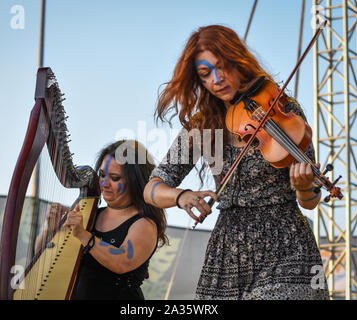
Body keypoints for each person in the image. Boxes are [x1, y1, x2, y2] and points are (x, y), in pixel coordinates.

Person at [143, 25, 329, 300]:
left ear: (238, 61)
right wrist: (181, 196)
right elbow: (152, 189)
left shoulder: (282, 108)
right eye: (206, 74)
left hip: (286, 244)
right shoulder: (202, 125)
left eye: (223, 67)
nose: (217, 79)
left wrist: (303, 188)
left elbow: (311, 200)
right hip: (228, 251)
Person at [43, 140, 168, 300]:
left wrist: (83, 235)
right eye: (102, 175)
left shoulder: (144, 224)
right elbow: (46, 257)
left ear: (135, 181)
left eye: (114, 178)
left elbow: (121, 262)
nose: (104, 184)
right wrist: (50, 229)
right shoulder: (89, 214)